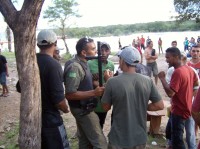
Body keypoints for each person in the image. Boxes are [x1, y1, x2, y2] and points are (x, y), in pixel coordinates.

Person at [101, 46, 164, 148]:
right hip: (139, 138)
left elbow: (105, 107)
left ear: (123, 61)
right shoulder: (147, 80)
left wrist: (107, 81)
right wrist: (144, 106)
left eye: (120, 58)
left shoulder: (112, 81)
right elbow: (159, 105)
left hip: (119, 138)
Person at [63, 37, 107, 148]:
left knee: (84, 140)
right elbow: (69, 94)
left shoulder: (83, 62)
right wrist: (94, 93)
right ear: (83, 52)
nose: (96, 51)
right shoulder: (75, 67)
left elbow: (84, 82)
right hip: (83, 110)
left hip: (85, 107)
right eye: (93, 49)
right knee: (100, 142)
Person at [158, 47, 199, 149]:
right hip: (184, 107)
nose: (166, 60)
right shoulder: (188, 69)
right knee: (170, 132)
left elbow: (170, 93)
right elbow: (195, 83)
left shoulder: (178, 72)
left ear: (176, 57)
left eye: (168, 57)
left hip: (180, 111)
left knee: (178, 141)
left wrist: (162, 79)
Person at [36, 29, 70, 149]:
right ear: (55, 43)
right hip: (51, 120)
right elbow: (59, 101)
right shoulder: (53, 64)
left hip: (35, 118)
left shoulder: (32, 60)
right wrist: (66, 109)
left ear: (38, 44)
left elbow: (20, 87)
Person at [88, 42, 114, 129]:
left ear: (109, 52)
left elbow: (112, 81)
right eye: (101, 50)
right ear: (97, 52)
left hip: (104, 101)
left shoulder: (111, 65)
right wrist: (93, 81)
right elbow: (86, 81)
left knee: (101, 124)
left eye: (106, 50)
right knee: (92, 126)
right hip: (93, 101)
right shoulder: (90, 64)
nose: (103, 53)